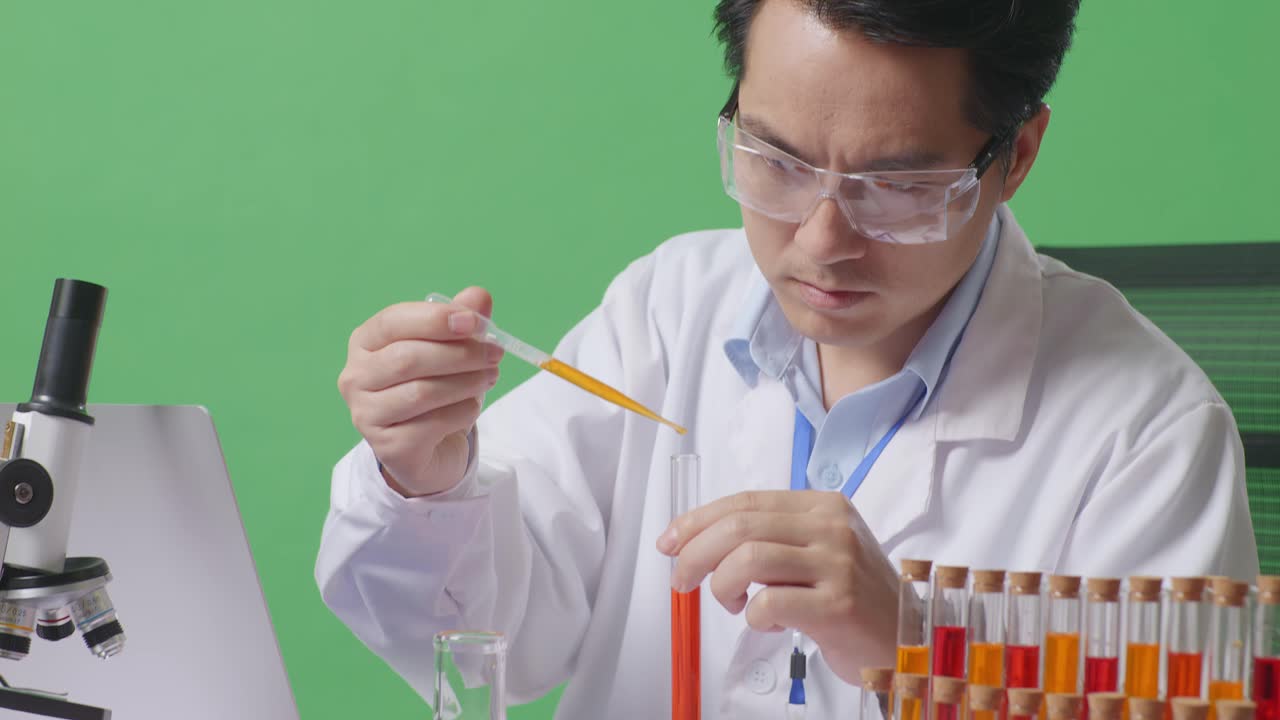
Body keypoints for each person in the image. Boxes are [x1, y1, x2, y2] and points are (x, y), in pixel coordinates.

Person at [315, 0, 1259, 717]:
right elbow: (499, 639)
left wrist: (916, 649)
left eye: (896, 187)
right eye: (776, 160)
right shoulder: (670, 305)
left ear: (1016, 156)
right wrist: (427, 480)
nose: (820, 240)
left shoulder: (1150, 432)